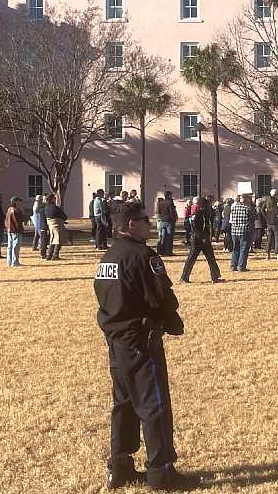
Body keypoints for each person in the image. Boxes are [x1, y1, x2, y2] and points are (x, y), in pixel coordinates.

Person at [94, 199, 198, 492]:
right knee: (154, 405)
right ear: (131, 225)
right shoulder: (142, 255)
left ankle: (120, 465)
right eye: (144, 220)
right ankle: (161, 472)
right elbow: (161, 295)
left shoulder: (109, 256)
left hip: (116, 339)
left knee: (124, 405)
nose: (149, 224)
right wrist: (170, 318)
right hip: (140, 340)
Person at [178, 197, 223, 284]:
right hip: (197, 241)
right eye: (205, 206)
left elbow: (210, 227)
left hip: (206, 241)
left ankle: (215, 277)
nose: (206, 208)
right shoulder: (196, 216)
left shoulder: (207, 216)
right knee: (191, 259)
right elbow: (194, 229)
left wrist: (211, 236)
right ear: (201, 206)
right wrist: (202, 237)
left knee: (211, 259)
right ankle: (184, 277)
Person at [229, 193, 255, 272]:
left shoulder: (234, 207)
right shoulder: (248, 208)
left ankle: (233, 266)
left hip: (234, 231)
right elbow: (255, 217)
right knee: (243, 249)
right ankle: (241, 266)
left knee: (235, 249)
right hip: (244, 231)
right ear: (246, 199)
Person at [45, 194, 69, 259]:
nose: (55, 200)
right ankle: (55, 255)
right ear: (52, 199)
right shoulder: (54, 207)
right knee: (59, 239)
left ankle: (49, 255)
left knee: (52, 239)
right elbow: (64, 216)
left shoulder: (46, 207)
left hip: (50, 224)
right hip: (57, 224)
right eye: (54, 198)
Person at [155, 192, 178, 256]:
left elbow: (159, 211)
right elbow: (172, 212)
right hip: (169, 220)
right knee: (169, 237)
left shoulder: (161, 203)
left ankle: (161, 251)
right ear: (168, 195)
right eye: (171, 194)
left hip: (163, 220)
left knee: (163, 236)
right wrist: (174, 219)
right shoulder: (170, 202)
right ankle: (168, 251)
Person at [5, 196, 26, 267]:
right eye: (18, 201)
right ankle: (15, 262)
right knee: (16, 247)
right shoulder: (16, 210)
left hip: (9, 229)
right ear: (15, 202)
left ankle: (9, 261)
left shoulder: (9, 209)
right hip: (16, 229)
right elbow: (23, 218)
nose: (19, 202)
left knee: (10, 246)